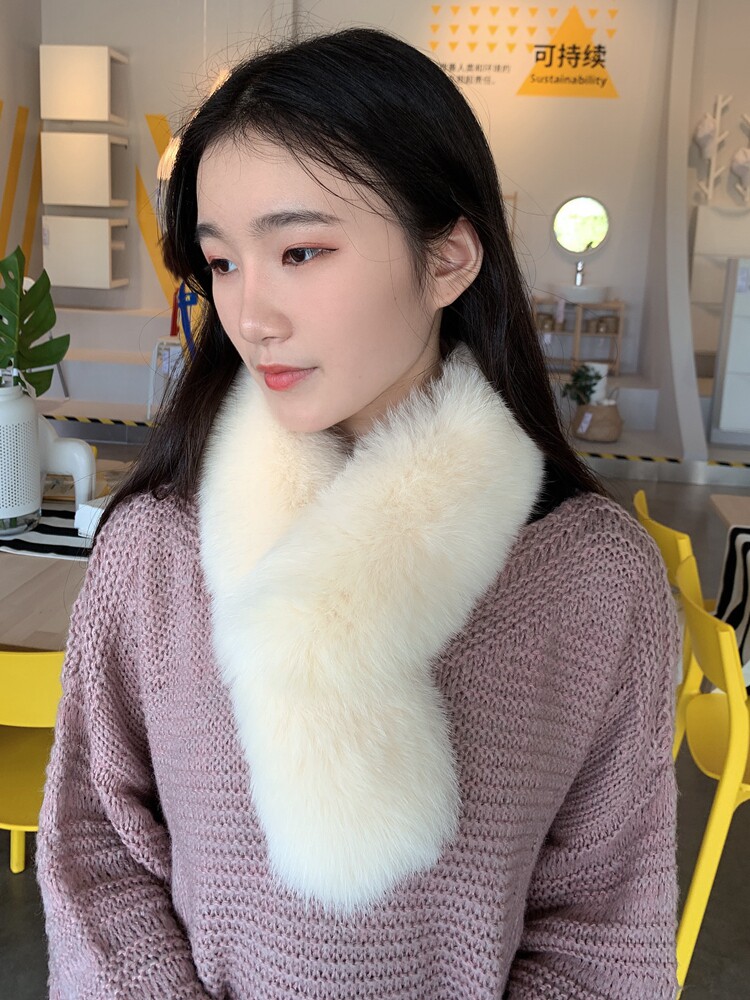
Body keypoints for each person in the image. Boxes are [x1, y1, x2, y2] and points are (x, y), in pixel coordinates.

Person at [36, 27, 679, 999]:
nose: (251, 316)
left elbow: (602, 924)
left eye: (300, 250)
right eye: (222, 263)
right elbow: (97, 850)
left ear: (447, 259)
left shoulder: (595, 580)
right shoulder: (157, 548)